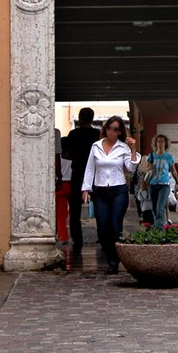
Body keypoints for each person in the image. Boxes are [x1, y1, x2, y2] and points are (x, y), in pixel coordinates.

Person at [81, 116, 140, 273]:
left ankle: (114, 261)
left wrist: (133, 149)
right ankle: (110, 255)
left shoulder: (123, 147)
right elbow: (90, 168)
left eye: (115, 129)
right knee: (102, 226)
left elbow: (131, 168)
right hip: (100, 190)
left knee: (115, 225)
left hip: (118, 190)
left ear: (120, 131)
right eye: (109, 128)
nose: (111, 131)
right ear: (105, 128)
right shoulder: (96, 146)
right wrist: (86, 188)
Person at [65, 107, 101, 251]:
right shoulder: (97, 134)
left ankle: (77, 240)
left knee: (75, 209)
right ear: (92, 119)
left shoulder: (73, 134)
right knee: (100, 207)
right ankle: (103, 237)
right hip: (95, 174)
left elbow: (66, 154)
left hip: (78, 172)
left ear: (79, 119)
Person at [146, 134, 178, 229]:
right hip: (153, 184)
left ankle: (159, 230)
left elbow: (173, 170)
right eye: (158, 141)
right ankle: (157, 226)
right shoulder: (151, 156)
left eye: (162, 141)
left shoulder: (168, 157)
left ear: (165, 144)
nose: (160, 143)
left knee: (160, 207)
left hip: (164, 185)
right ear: (155, 143)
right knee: (154, 208)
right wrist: (150, 167)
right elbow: (147, 169)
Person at [54, 130, 71, 243]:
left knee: (60, 214)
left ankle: (63, 236)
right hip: (72, 184)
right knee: (73, 214)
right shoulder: (73, 159)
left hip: (61, 185)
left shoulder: (58, 159)